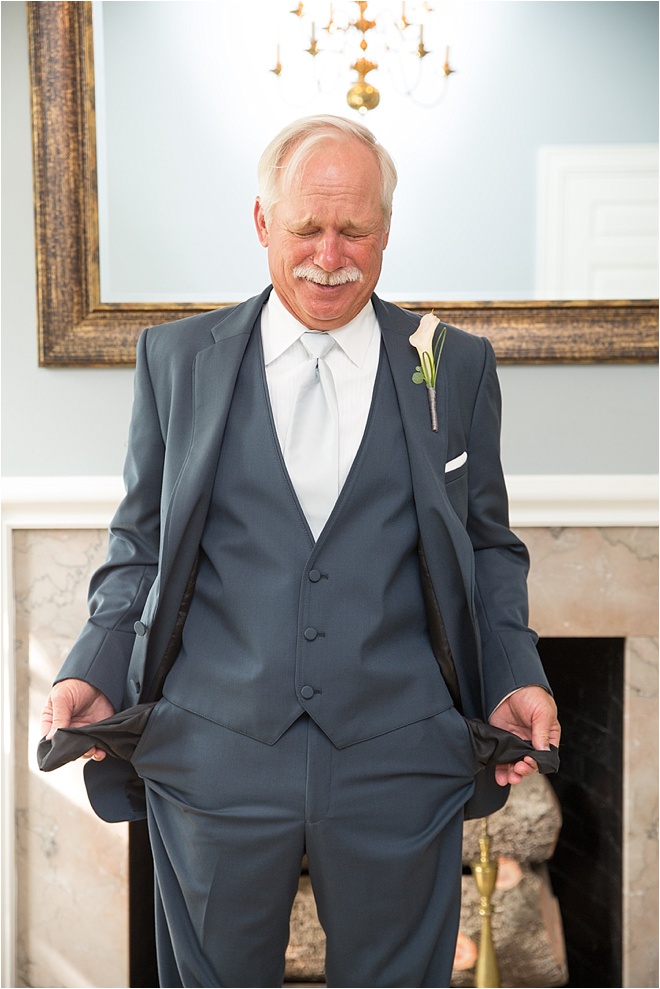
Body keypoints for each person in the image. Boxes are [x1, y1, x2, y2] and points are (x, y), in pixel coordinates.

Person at [41, 114, 560, 988]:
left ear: (385, 231)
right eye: (307, 228)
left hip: (399, 749)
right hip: (214, 746)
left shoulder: (455, 365)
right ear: (261, 223)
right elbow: (137, 542)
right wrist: (93, 662)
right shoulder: (177, 358)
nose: (330, 253)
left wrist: (518, 673)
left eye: (354, 229)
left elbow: (487, 546)